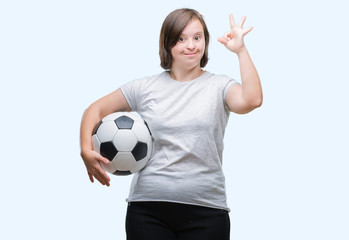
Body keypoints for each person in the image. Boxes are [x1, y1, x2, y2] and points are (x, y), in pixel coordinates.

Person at [80, 8, 262, 240]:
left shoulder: (220, 86)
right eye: (181, 39)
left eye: (198, 37)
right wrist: (85, 150)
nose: (191, 45)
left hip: (207, 210)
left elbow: (252, 100)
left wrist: (241, 51)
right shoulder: (144, 88)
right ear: (168, 44)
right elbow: (94, 110)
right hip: (148, 210)